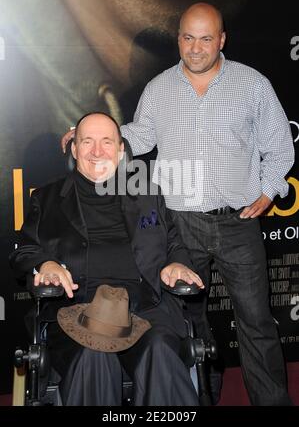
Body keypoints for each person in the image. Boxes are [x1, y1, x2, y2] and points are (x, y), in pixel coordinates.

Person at [62, 3, 295, 406]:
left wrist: (269, 189)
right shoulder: (159, 88)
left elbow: (279, 146)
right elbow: (141, 136)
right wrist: (95, 138)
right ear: (179, 39)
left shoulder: (253, 84)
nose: (197, 48)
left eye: (206, 38)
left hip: (238, 222)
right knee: (190, 323)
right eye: (188, 37)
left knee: (257, 324)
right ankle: (200, 399)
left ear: (222, 40)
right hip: (180, 224)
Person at [10, 112, 204, 406]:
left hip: (145, 310)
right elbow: (24, 249)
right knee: (93, 353)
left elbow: (174, 243)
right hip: (78, 311)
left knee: (161, 350)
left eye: (107, 142)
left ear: (122, 150)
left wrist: (175, 263)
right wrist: (46, 264)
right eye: (87, 142)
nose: (97, 151)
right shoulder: (47, 198)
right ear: (74, 149)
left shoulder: (148, 193)